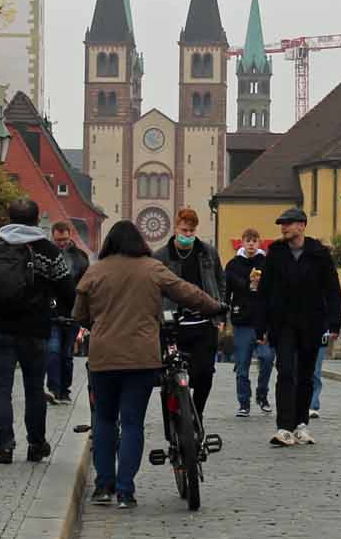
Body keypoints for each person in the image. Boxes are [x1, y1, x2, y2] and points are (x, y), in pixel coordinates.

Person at [72, 220, 222, 508]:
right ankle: (126, 491)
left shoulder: (95, 271)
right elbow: (187, 292)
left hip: (103, 358)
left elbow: (80, 314)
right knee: (131, 423)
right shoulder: (151, 268)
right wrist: (215, 306)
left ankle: (103, 487)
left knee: (103, 420)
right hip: (141, 358)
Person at [0, 199, 75, 465]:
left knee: (1, 387)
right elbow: (67, 289)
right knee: (34, 389)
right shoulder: (47, 250)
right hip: (34, 329)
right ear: (37, 220)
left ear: (8, 218)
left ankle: (4, 445)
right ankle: (36, 444)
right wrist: (62, 312)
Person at [258, 205, 341, 448]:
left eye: (288, 223)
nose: (283, 227)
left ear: (302, 225)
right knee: (285, 372)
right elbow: (264, 291)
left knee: (306, 375)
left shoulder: (319, 254)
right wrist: (260, 325)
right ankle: (284, 427)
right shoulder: (275, 253)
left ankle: (300, 424)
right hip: (282, 323)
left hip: (311, 323)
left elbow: (332, 290)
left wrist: (333, 323)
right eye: (282, 224)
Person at [153, 207, 226, 416]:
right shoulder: (161, 256)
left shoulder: (208, 252)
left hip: (204, 323)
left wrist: (219, 309)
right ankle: (173, 417)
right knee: (169, 374)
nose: (188, 235)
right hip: (172, 324)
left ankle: (197, 414)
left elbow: (220, 280)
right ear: (176, 228)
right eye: (184, 230)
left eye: (191, 231)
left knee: (205, 373)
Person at [224, 228, 275, 416]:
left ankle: (262, 394)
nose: (251, 244)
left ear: (259, 242)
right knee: (242, 365)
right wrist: (223, 315)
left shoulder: (267, 262)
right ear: (242, 242)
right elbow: (226, 290)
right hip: (242, 320)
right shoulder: (233, 264)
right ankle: (244, 402)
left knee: (267, 358)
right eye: (248, 240)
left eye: (255, 240)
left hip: (264, 321)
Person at [46, 218, 91, 405]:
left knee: (66, 355)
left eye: (63, 240)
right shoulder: (47, 255)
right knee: (54, 351)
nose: (61, 244)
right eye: (58, 241)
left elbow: (86, 285)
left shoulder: (81, 257)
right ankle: (54, 388)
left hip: (73, 313)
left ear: (69, 236)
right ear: (53, 237)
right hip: (52, 313)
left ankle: (64, 389)